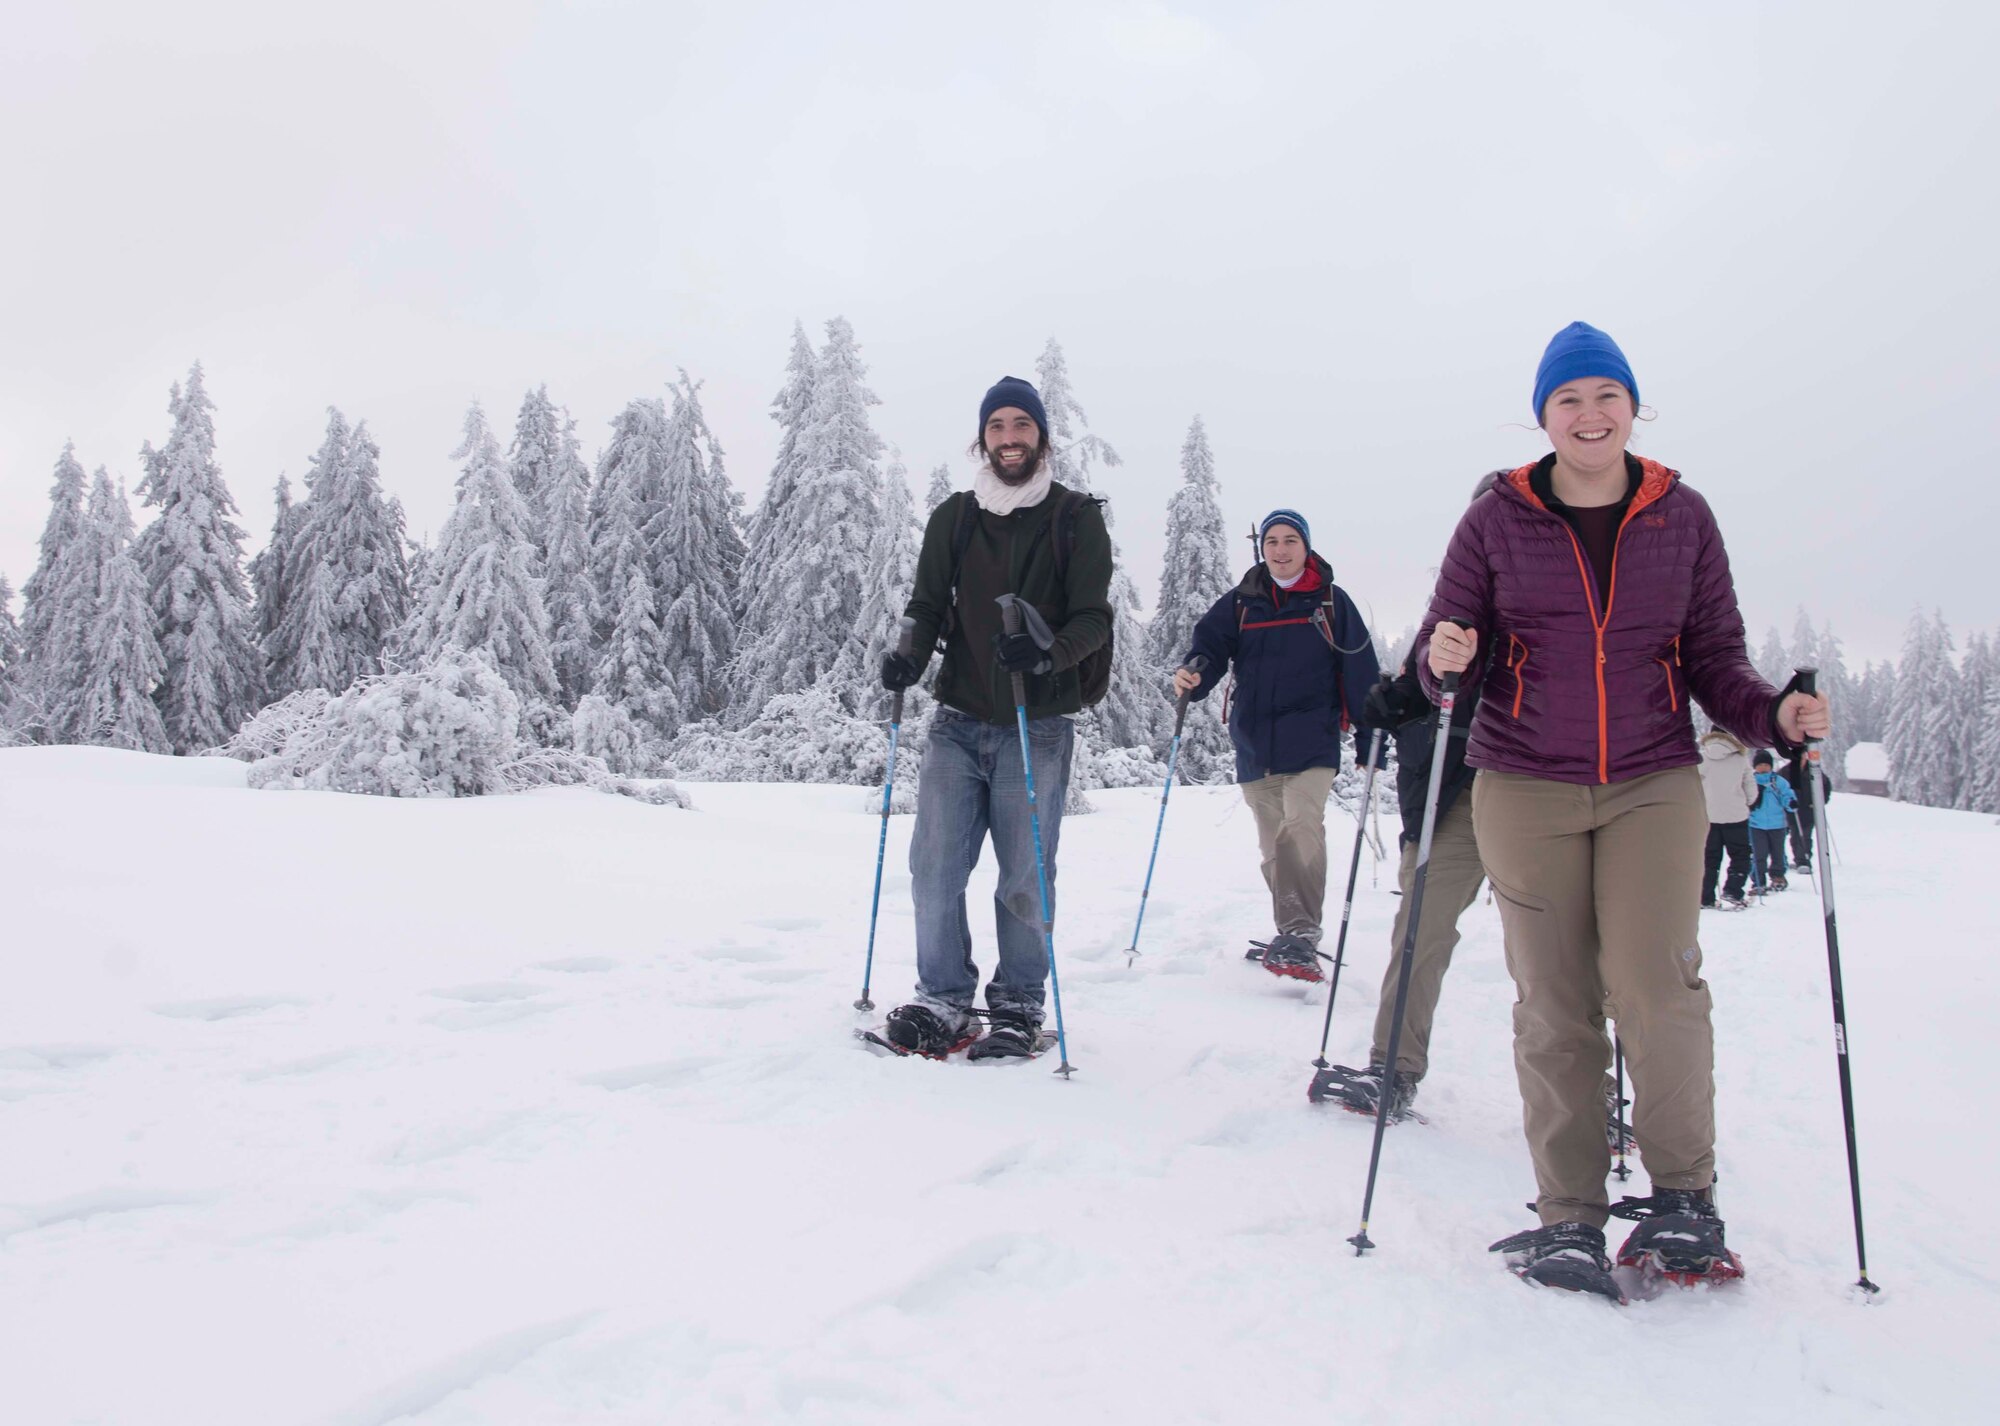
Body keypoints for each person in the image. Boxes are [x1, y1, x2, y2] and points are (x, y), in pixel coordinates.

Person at [1419, 321, 1831, 1300]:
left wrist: (1771, 713)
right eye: (1568, 400)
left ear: (1631, 407)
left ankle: (1683, 1198)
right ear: (1542, 417)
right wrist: (1441, 662)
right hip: (1522, 780)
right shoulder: (1492, 520)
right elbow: (1448, 651)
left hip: (1652, 776)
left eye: (1605, 395)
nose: (1588, 415)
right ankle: (1566, 1217)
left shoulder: (1679, 515)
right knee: (1553, 1002)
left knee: (1655, 986)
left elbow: (1714, 661)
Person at [878, 376, 1113, 1059]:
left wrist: (1047, 655)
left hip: (1034, 724)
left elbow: (1093, 617)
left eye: (1023, 426)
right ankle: (944, 1000)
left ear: (1041, 435)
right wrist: (909, 658)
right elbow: (925, 607)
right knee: (935, 866)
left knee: (1023, 874)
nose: (1010, 438)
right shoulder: (955, 516)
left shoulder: (1074, 517)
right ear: (983, 436)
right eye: (998, 426)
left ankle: (1017, 1005)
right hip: (958, 720)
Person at [1171, 510, 1381, 979]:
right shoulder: (1242, 603)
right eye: (1272, 542)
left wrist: (1369, 740)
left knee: (1300, 828)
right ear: (1261, 549)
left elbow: (1361, 673)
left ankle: (1301, 934)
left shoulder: (1330, 603)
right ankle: (1289, 929)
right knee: (1272, 846)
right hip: (1254, 743)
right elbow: (1209, 650)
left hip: (1313, 742)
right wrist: (1194, 674)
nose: (1281, 550)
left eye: (1290, 541)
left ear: (1306, 547)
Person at [1315, 655, 1482, 1121]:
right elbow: (1421, 683)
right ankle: (1393, 1069)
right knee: (1419, 929)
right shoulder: (1461, 607)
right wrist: (1396, 702)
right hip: (1453, 798)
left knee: (1552, 953)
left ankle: (1591, 1091)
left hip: (1541, 791)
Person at [1697, 729, 1757, 910]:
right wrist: (1747, 802)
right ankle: (1733, 890)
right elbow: (1750, 786)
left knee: (1709, 858)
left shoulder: (1700, 758)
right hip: (1735, 816)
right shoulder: (1740, 759)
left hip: (1708, 816)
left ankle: (1705, 897)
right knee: (1740, 856)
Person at [1747, 750, 1797, 892]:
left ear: (1771, 766)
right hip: (1756, 824)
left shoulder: (1778, 782)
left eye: (1766, 764)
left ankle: (1778, 876)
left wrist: (1791, 803)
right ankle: (1758, 879)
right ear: (1755, 767)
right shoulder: (1750, 781)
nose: (1763, 767)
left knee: (1778, 852)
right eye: (1760, 765)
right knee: (1759, 853)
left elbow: (1787, 795)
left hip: (1777, 824)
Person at [1780, 749, 1830, 871]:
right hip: (1792, 811)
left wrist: (1820, 802)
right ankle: (1798, 859)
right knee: (1795, 836)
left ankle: (1803, 861)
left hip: (1808, 810)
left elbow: (1825, 787)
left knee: (1806, 836)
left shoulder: (1814, 770)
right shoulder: (1785, 772)